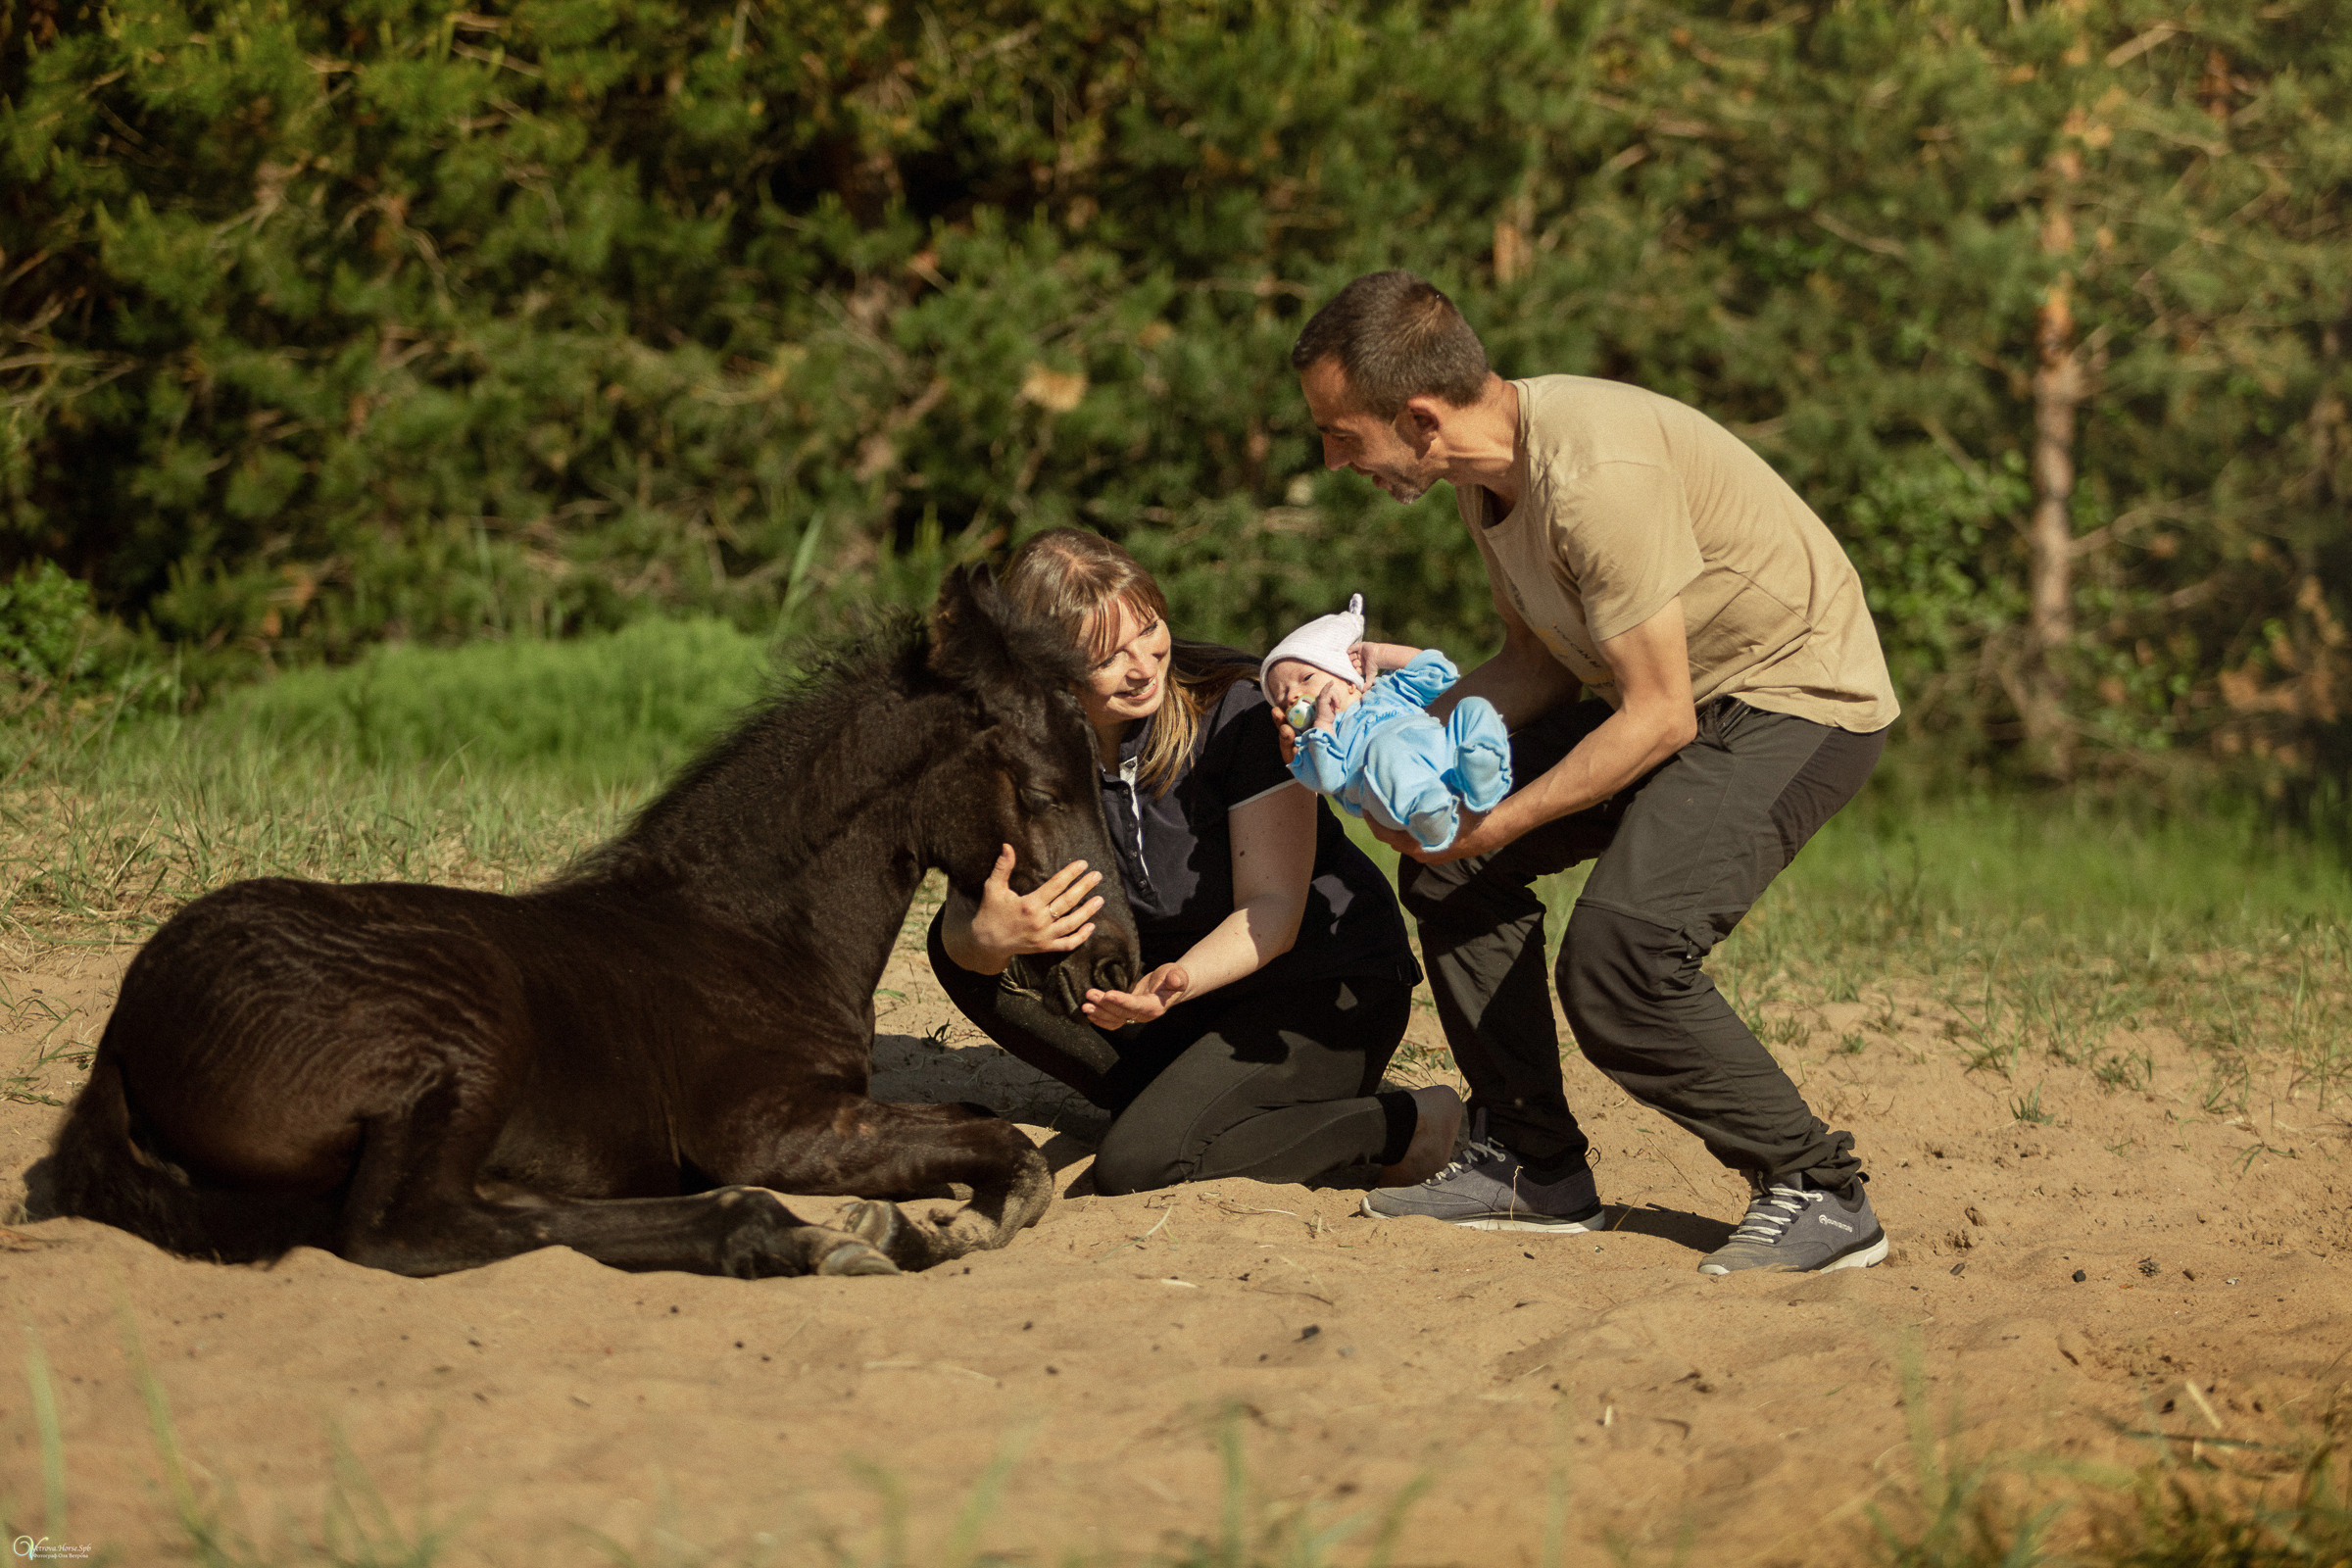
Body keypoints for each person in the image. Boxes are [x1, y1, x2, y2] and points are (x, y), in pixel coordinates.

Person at [1287, 270, 1901, 1274]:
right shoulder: (1487, 482)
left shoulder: (1591, 478)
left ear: (1422, 419)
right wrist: (1384, 736)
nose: (1332, 459)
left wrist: (1497, 819)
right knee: (1449, 865)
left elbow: (1658, 715)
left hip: (1795, 701)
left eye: (1342, 435)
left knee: (1621, 956)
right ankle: (1531, 1167)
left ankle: (1818, 1189)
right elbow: (1535, 665)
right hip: (1679, 702)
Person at [926, 527, 1462, 1197]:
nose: (1144, 665)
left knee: (1138, 1165)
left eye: (1150, 630)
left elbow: (1273, 911)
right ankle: (1197, 1111)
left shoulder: (1240, 709)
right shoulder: (1007, 748)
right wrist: (986, 938)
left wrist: (1177, 980)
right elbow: (964, 923)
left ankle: (1412, 1124)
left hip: (1313, 984)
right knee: (964, 950)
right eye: (1109, 656)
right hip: (1169, 997)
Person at [1260, 593, 1511, 852]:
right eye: (1282, 698)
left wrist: (1381, 653)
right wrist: (1323, 724)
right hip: (1389, 790)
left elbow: (1440, 671)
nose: (1292, 696)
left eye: (1305, 678)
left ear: (1347, 678)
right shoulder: (1318, 740)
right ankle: (1430, 814)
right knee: (1384, 747)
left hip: (1445, 756)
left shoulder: (1387, 690)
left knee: (1474, 707)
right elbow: (1329, 780)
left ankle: (1482, 772)